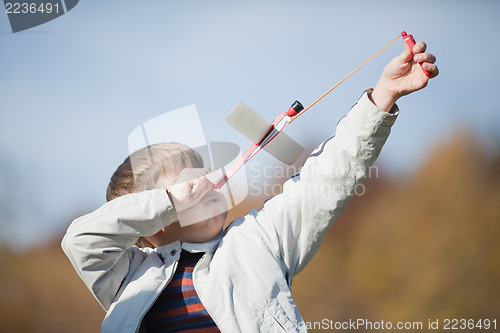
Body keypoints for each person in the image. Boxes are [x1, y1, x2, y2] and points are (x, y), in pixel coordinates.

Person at [62, 40, 438, 333]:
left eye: (205, 171)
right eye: (188, 183)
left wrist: (382, 98)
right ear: (155, 219)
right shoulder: (128, 277)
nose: (209, 181)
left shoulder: (257, 241)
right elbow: (81, 242)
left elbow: (327, 180)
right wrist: (169, 201)